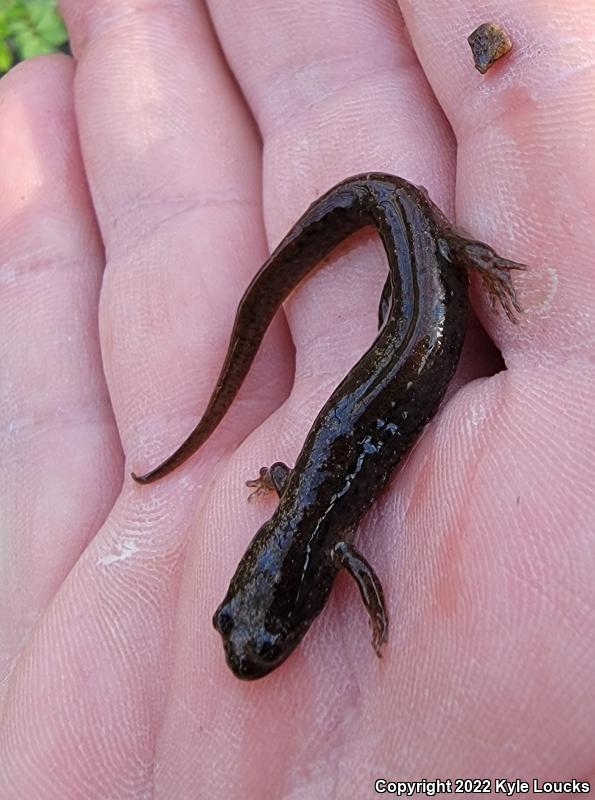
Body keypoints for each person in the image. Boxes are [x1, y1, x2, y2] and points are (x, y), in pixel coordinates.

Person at [1, 1, 593, 796]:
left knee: (418, 279)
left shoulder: (328, 539)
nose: (252, 646)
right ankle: (417, 241)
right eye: (263, 633)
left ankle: (448, 248)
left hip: (426, 294)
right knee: (404, 299)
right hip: (409, 312)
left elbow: (326, 521)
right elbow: (303, 496)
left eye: (259, 631)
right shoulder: (310, 525)